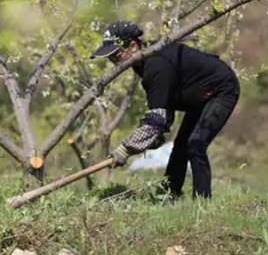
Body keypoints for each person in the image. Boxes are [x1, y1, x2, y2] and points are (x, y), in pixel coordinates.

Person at [91, 21, 240, 199]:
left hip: (220, 89)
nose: (114, 62)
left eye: (116, 55)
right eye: (110, 58)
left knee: (195, 145)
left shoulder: (156, 65)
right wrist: (154, 137)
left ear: (132, 46)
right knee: (180, 146)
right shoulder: (143, 63)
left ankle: (202, 204)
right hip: (195, 95)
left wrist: (126, 148)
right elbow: (163, 107)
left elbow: (156, 120)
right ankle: (169, 195)